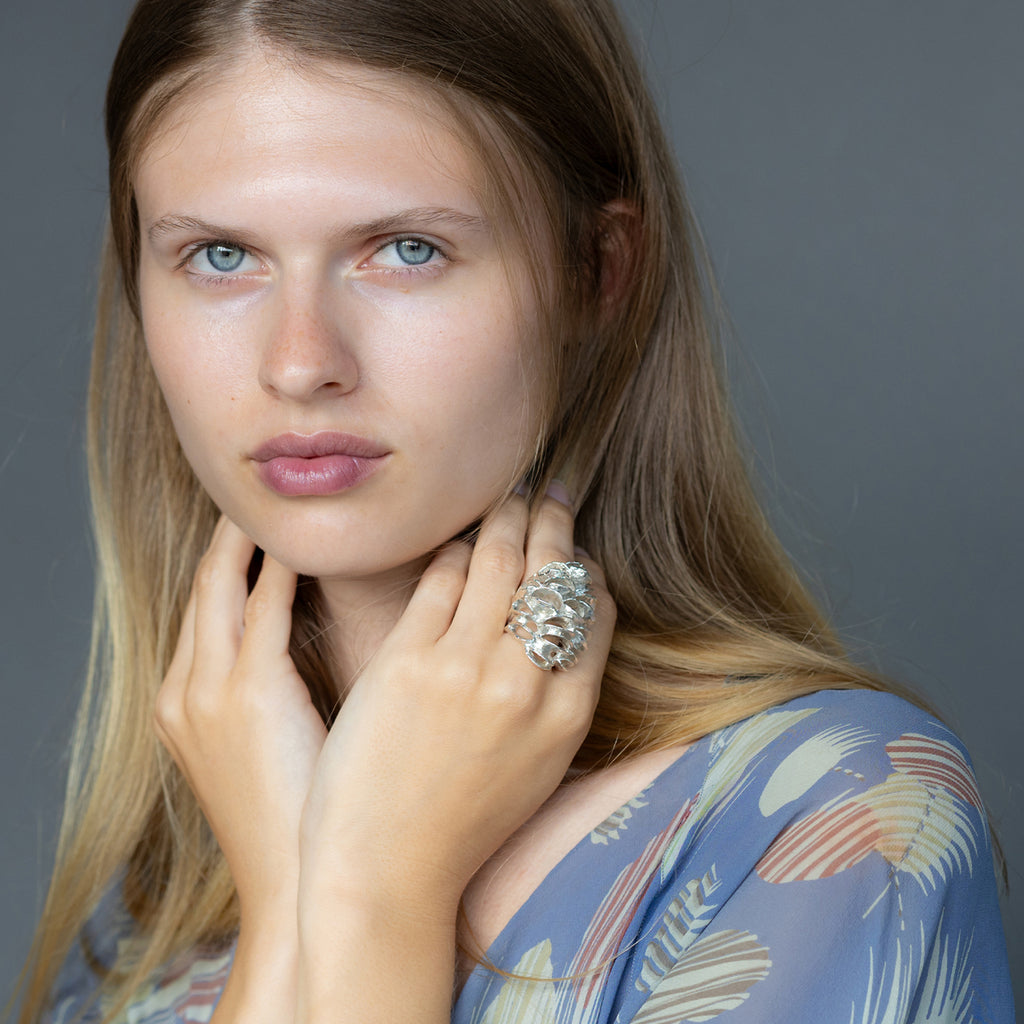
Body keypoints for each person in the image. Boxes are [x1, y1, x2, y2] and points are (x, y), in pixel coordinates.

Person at [15, 1, 1013, 1022]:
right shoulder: (146, 922)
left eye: (407, 249)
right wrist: (284, 907)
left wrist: (371, 895)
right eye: (221, 256)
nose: (300, 362)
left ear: (597, 274)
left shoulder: (834, 823)